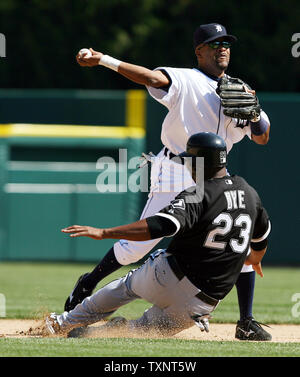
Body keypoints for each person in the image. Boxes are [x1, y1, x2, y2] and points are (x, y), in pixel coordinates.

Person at [66, 23, 272, 340]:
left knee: (236, 237)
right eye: (214, 43)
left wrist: (256, 113)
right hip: (176, 168)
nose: (222, 48)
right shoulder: (184, 79)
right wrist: (103, 59)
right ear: (199, 51)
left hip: (216, 172)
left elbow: (262, 138)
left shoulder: (240, 90)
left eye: (226, 43)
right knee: (137, 247)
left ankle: (246, 321)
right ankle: (89, 281)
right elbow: (150, 77)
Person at [46, 132, 271, 339]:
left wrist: (105, 233)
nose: (187, 166)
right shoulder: (250, 193)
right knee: (141, 330)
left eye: (189, 161)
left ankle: (63, 322)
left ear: (199, 162)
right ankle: (100, 333)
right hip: (200, 305)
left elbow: (162, 225)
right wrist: (253, 259)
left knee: (125, 287)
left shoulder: (198, 194)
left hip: (167, 276)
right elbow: (260, 242)